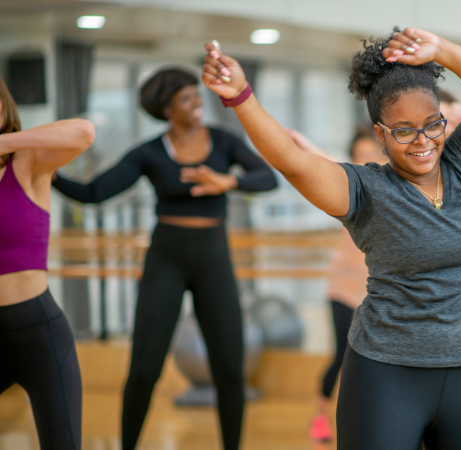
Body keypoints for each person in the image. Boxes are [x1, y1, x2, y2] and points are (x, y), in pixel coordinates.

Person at [202, 25, 461, 449]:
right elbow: (293, 162)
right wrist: (240, 96)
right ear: (380, 135)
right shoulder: (365, 190)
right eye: (404, 130)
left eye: (432, 125)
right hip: (386, 376)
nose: (422, 141)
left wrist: (439, 50)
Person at [51, 68, 278, 450]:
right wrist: (48, 174)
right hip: (166, 260)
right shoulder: (149, 152)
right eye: (186, 98)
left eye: (195, 95)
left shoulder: (224, 142)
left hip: (214, 261)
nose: (197, 104)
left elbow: (267, 178)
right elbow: (93, 192)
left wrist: (229, 182)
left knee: (228, 370)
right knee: (143, 369)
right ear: (166, 109)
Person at [0, 75, 95, 449]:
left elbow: (83, 132)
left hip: (39, 332)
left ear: (6, 110)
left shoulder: (28, 163)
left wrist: (4, 141)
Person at [286, 126, 388, 442]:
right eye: (360, 155)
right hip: (344, 287)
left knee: (380, 359)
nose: (366, 160)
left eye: (371, 153)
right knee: (342, 354)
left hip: (379, 289)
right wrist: (306, 146)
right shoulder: (350, 188)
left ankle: (375, 418)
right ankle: (320, 416)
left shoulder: (393, 187)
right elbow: (331, 167)